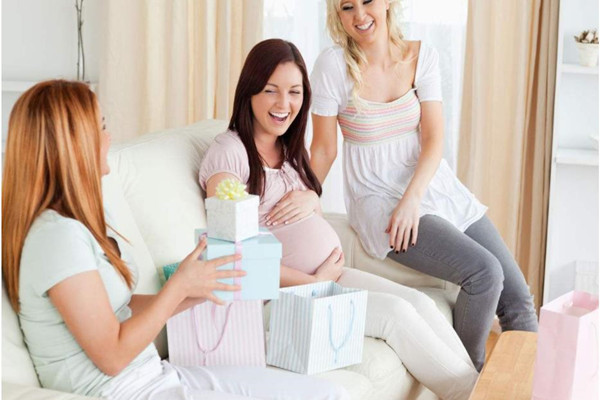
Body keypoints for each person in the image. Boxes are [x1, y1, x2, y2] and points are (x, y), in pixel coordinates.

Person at [1, 80, 350, 400]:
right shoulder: (55, 238)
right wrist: (178, 287)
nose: (109, 136)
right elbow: (111, 356)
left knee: (328, 394)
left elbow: (118, 310)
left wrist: (197, 289)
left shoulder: (79, 220)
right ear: (73, 143)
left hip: (153, 375)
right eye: (102, 126)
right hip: (122, 391)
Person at [199, 38, 478, 400]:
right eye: (270, 90)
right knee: (395, 314)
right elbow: (233, 256)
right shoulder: (230, 153)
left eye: (294, 92)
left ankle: (484, 387)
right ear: (249, 91)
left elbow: (305, 214)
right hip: (280, 299)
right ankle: (477, 395)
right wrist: (313, 281)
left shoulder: (288, 149)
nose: (284, 104)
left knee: (421, 303)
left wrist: (312, 206)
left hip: (325, 280)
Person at [308, 0, 538, 371]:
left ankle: (530, 390)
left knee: (519, 302)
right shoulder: (333, 66)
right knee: (485, 273)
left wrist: (412, 199)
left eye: (367, 2)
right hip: (378, 200)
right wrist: (304, 201)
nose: (359, 15)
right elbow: (322, 150)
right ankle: (466, 385)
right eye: (347, 7)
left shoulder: (422, 56)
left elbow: (433, 139)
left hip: (431, 189)